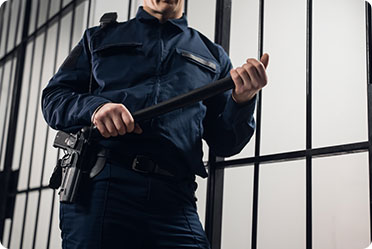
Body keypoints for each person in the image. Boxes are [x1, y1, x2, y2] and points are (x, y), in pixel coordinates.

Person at [41, 0, 269, 248]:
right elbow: (54, 98)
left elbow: (225, 143)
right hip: (104, 184)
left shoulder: (213, 55)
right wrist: (96, 109)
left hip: (175, 197)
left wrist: (243, 100)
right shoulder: (98, 37)